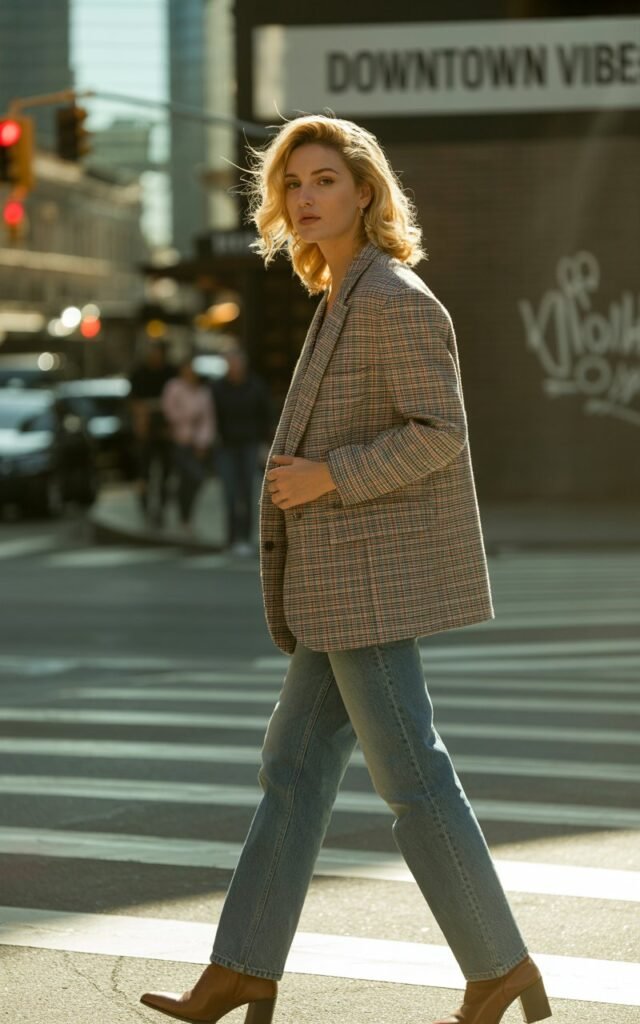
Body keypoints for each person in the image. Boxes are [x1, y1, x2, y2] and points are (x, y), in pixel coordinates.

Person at [140, 115, 552, 1024]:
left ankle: (500, 964)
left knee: (412, 778)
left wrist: (329, 476)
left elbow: (440, 435)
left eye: (324, 179)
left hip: (366, 583)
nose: (305, 196)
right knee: (292, 766)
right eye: (293, 183)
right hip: (335, 585)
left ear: (365, 190)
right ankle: (243, 966)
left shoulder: (396, 298)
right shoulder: (339, 295)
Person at [211, 348, 273, 555]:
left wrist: (266, 444)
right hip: (226, 445)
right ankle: (230, 538)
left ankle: (245, 537)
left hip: (249, 443)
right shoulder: (218, 388)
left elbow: (267, 416)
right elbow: (212, 416)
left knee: (247, 490)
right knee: (229, 491)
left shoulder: (256, 386)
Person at [161, 358, 216, 536]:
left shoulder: (202, 392)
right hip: (180, 441)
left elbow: (208, 418)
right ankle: (182, 515)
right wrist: (188, 417)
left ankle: (186, 516)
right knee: (188, 477)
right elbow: (170, 412)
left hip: (197, 443)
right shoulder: (174, 387)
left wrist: (203, 442)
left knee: (194, 480)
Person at [128, 341, 176, 528]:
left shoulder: (170, 373)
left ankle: (161, 508)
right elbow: (133, 402)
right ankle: (145, 505)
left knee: (165, 471)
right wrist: (141, 419)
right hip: (146, 426)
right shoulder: (139, 373)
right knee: (144, 471)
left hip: (166, 426)